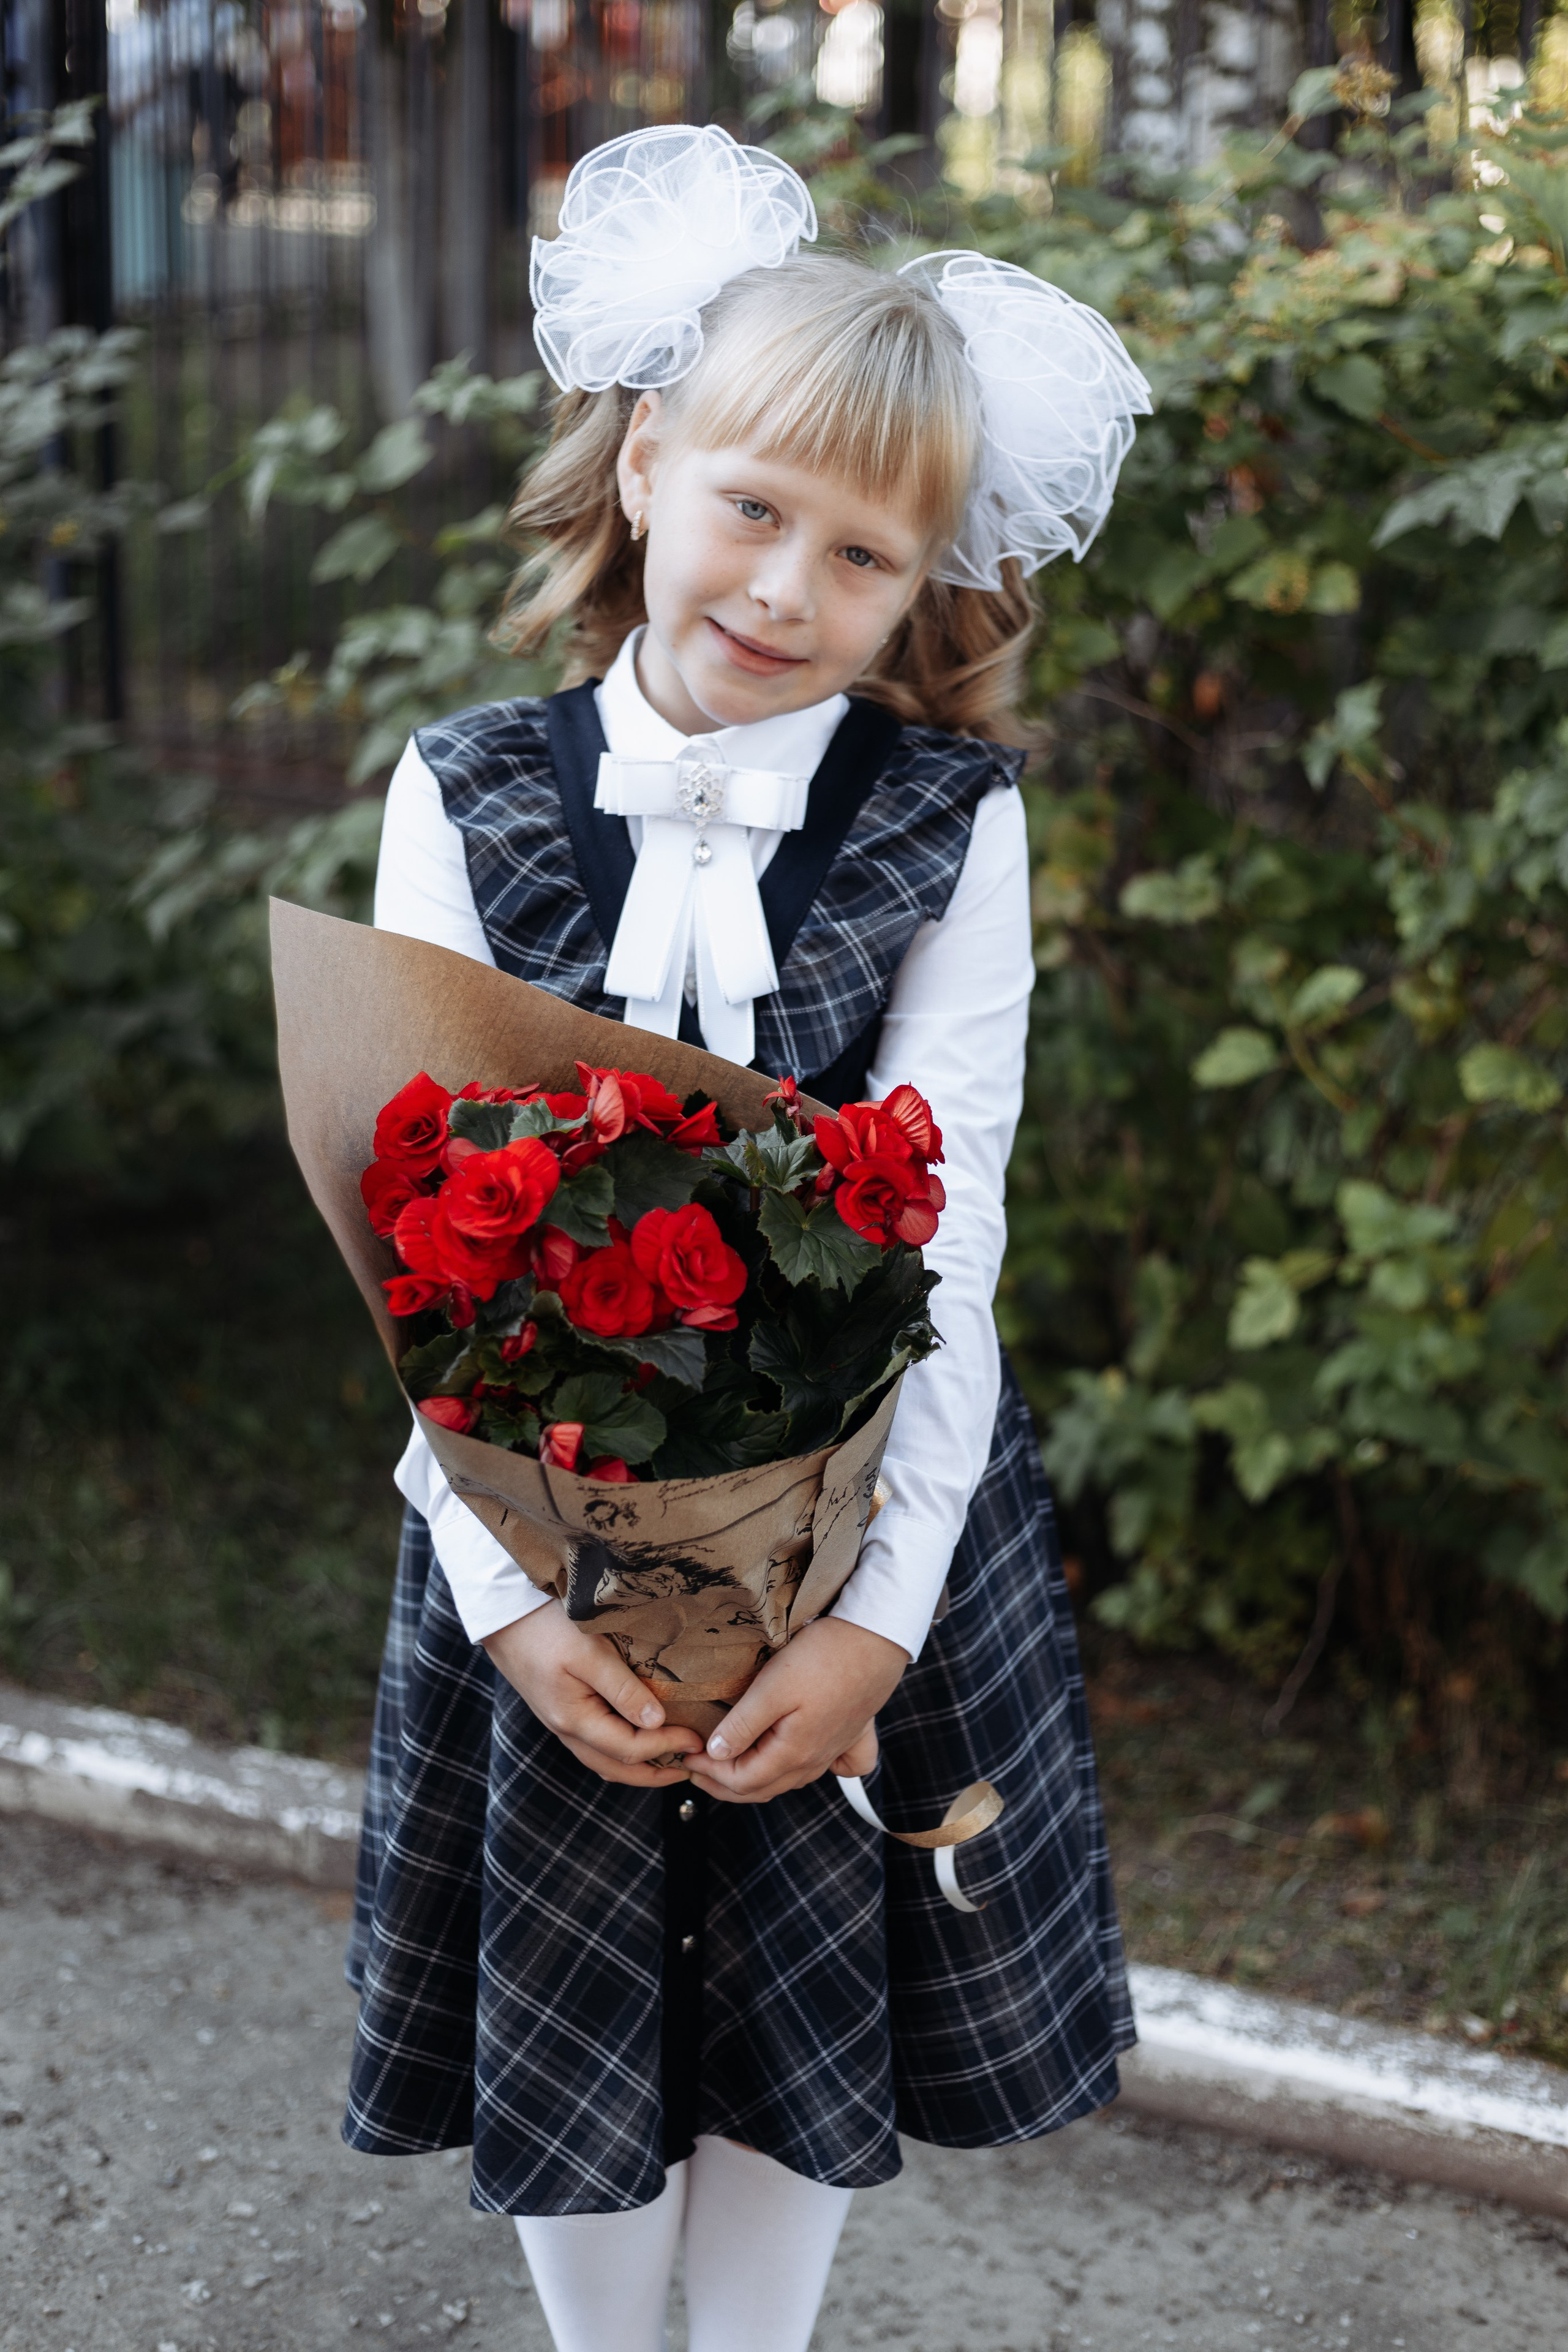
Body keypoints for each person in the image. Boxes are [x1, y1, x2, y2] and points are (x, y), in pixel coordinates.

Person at [352, 123, 1152, 2352]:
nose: (790, 586)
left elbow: (953, 1229)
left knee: (802, 2006)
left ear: (927, 594)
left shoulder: (943, 827)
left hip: (863, 1533)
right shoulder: (469, 791)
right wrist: (508, 1602)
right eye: (753, 506)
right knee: (586, 1976)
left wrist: (876, 1629)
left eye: (865, 556)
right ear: (639, 471)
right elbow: (410, 1238)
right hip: (544, 1535)